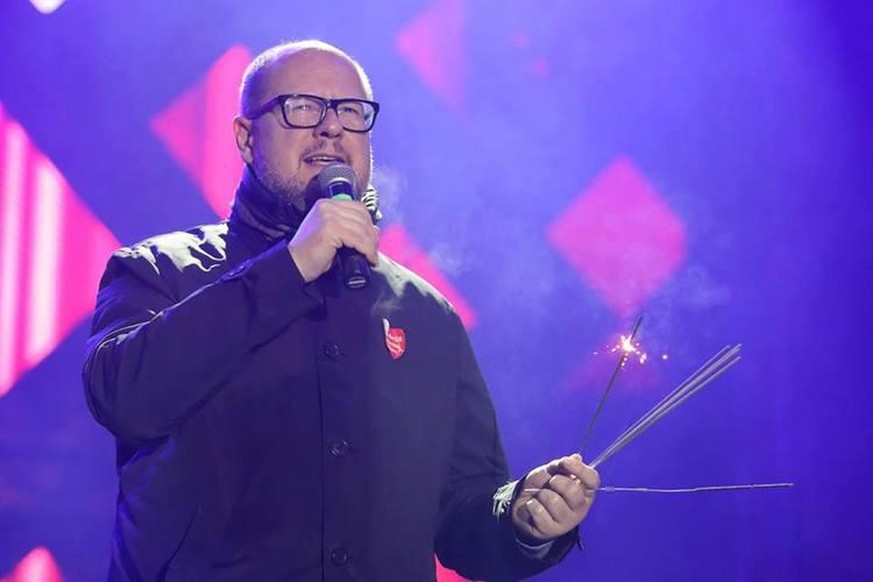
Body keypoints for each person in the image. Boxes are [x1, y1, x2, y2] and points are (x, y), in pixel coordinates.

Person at [83, 39, 599, 581]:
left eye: (351, 112)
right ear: (244, 137)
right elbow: (123, 398)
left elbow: (460, 513)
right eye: (302, 107)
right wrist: (290, 266)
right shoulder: (161, 271)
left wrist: (522, 520)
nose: (331, 127)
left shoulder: (424, 314)